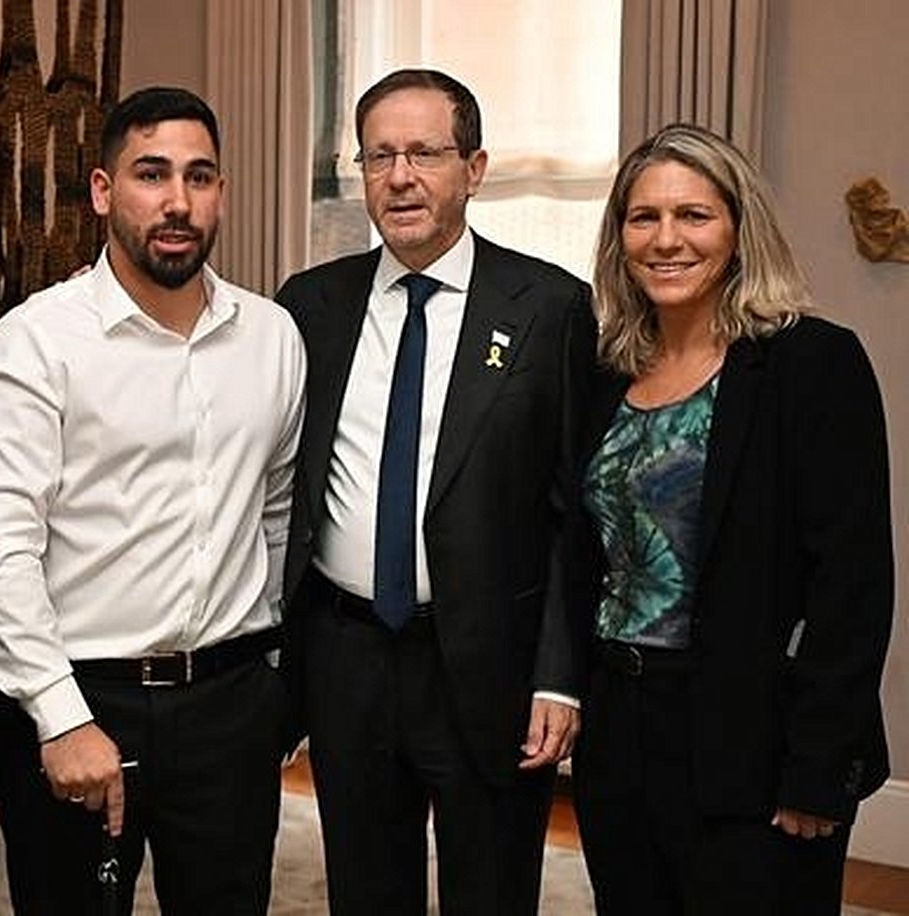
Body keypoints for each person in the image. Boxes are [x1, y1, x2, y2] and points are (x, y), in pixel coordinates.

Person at [0, 86, 306, 915]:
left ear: (221, 192)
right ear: (103, 191)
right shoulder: (32, 344)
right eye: (151, 175)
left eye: (199, 176)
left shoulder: (271, 337)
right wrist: (58, 714)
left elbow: (277, 509)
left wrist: (270, 684)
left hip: (229, 705)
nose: (178, 201)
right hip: (82, 697)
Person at [275, 69, 595, 915]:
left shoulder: (550, 309)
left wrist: (558, 678)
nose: (400, 177)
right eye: (379, 156)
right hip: (346, 660)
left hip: (488, 664)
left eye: (424, 153)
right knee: (364, 889)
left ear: (474, 169)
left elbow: (575, 515)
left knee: (491, 890)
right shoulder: (311, 306)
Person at [571, 122, 894, 914]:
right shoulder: (606, 370)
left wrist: (818, 766)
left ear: (740, 228)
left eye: (694, 215)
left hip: (756, 737)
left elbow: (852, 584)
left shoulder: (811, 363)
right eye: (643, 217)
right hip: (620, 731)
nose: (666, 239)